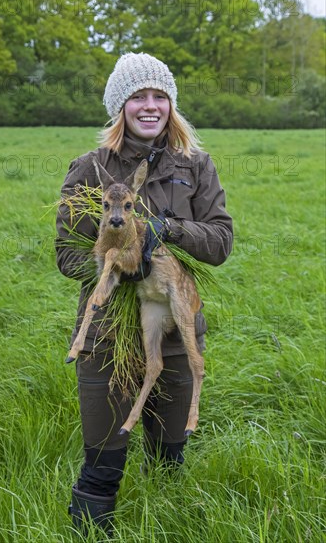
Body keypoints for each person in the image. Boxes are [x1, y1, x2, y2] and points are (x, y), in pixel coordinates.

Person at [55, 52, 233, 535]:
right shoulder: (90, 168)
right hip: (107, 338)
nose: (150, 106)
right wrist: (114, 269)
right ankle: (92, 531)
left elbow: (220, 242)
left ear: (171, 105)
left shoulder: (195, 166)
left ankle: (164, 526)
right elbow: (65, 254)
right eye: (139, 97)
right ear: (121, 106)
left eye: (160, 97)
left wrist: (168, 230)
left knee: (171, 454)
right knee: (102, 462)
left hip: (172, 332)